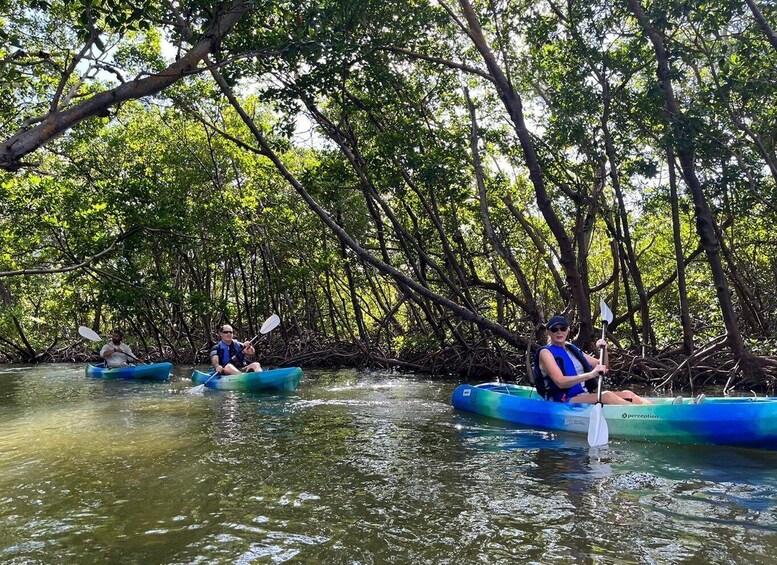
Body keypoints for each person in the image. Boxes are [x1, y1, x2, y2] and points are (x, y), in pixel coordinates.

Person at [534, 315, 651, 405]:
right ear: (549, 332)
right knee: (607, 396)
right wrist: (591, 374)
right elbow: (561, 382)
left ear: (567, 330)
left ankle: (654, 409)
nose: (559, 332)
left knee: (628, 393)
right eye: (554, 329)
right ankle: (645, 415)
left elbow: (603, 365)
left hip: (582, 396)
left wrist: (604, 349)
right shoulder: (546, 353)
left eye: (562, 328)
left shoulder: (571, 348)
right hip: (562, 400)